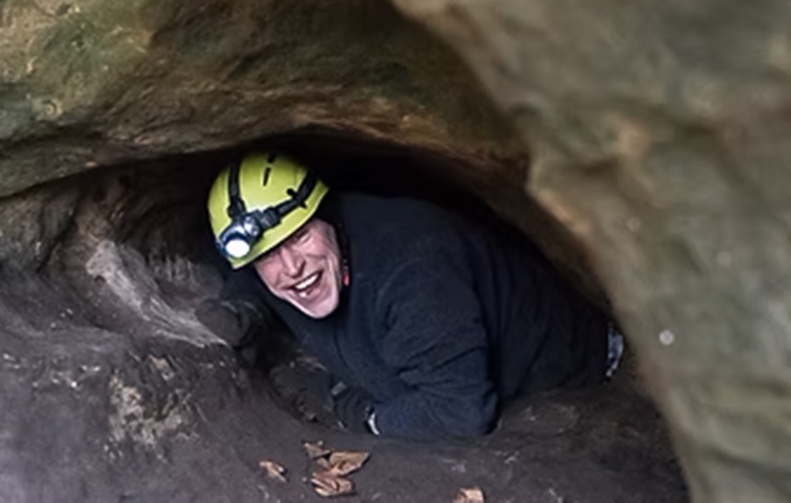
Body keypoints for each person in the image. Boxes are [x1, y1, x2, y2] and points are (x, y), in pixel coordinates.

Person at [200, 152, 622, 441]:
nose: (292, 267)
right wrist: (245, 310)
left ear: (327, 214)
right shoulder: (276, 265)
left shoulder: (411, 271)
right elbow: (244, 267)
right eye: (268, 255)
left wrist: (356, 412)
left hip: (579, 368)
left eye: (300, 236)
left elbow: (458, 414)